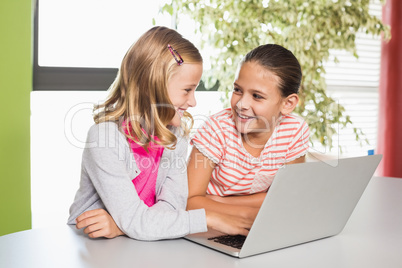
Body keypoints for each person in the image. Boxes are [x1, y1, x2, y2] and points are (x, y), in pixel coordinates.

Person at [67, 26, 249, 241]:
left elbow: (172, 207)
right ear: (153, 87)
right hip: (91, 246)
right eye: (187, 90)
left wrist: (124, 225)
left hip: (141, 242)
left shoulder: (175, 136)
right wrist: (207, 218)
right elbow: (136, 222)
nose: (193, 101)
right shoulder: (103, 138)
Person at [186, 44, 310, 235]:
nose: (242, 104)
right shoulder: (216, 130)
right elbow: (189, 201)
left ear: (288, 104)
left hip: (258, 223)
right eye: (237, 90)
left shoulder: (294, 131)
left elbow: (288, 197)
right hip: (211, 226)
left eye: (257, 96)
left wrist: (217, 200)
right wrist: (249, 211)